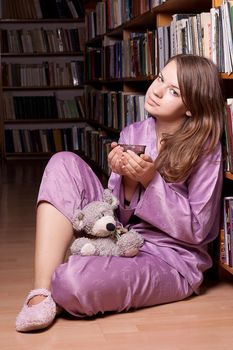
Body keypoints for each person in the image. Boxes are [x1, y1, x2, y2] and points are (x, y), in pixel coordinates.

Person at [15, 54, 225, 332]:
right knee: (63, 161)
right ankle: (41, 293)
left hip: (170, 259)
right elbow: (115, 217)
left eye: (174, 91)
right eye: (161, 79)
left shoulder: (206, 149)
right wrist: (125, 181)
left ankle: (82, 272)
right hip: (120, 237)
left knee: (69, 283)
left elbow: (198, 231)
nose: (158, 91)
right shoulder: (134, 131)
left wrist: (151, 181)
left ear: (191, 107)